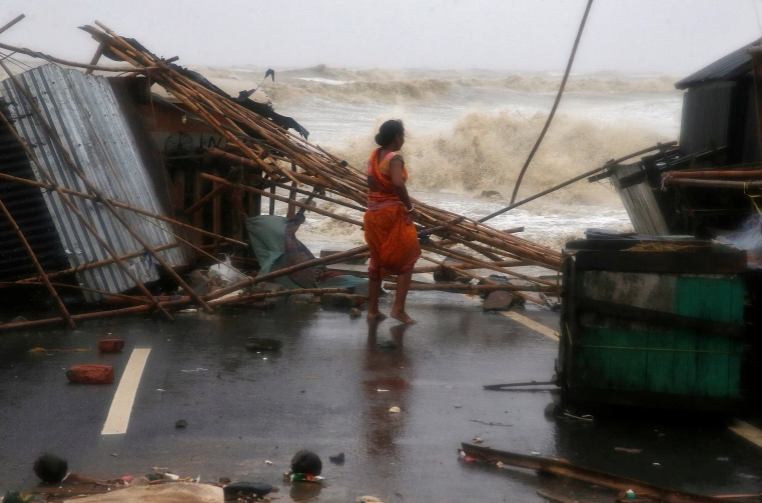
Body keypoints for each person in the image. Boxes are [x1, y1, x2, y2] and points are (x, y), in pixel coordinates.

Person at [364, 120, 421, 324]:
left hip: (372, 214)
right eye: (402, 136)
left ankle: (372, 311)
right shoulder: (395, 158)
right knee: (408, 256)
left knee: (376, 260)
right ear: (397, 137)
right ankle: (398, 310)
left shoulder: (374, 156)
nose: (403, 140)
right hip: (392, 214)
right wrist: (410, 207)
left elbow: (371, 183)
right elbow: (397, 183)